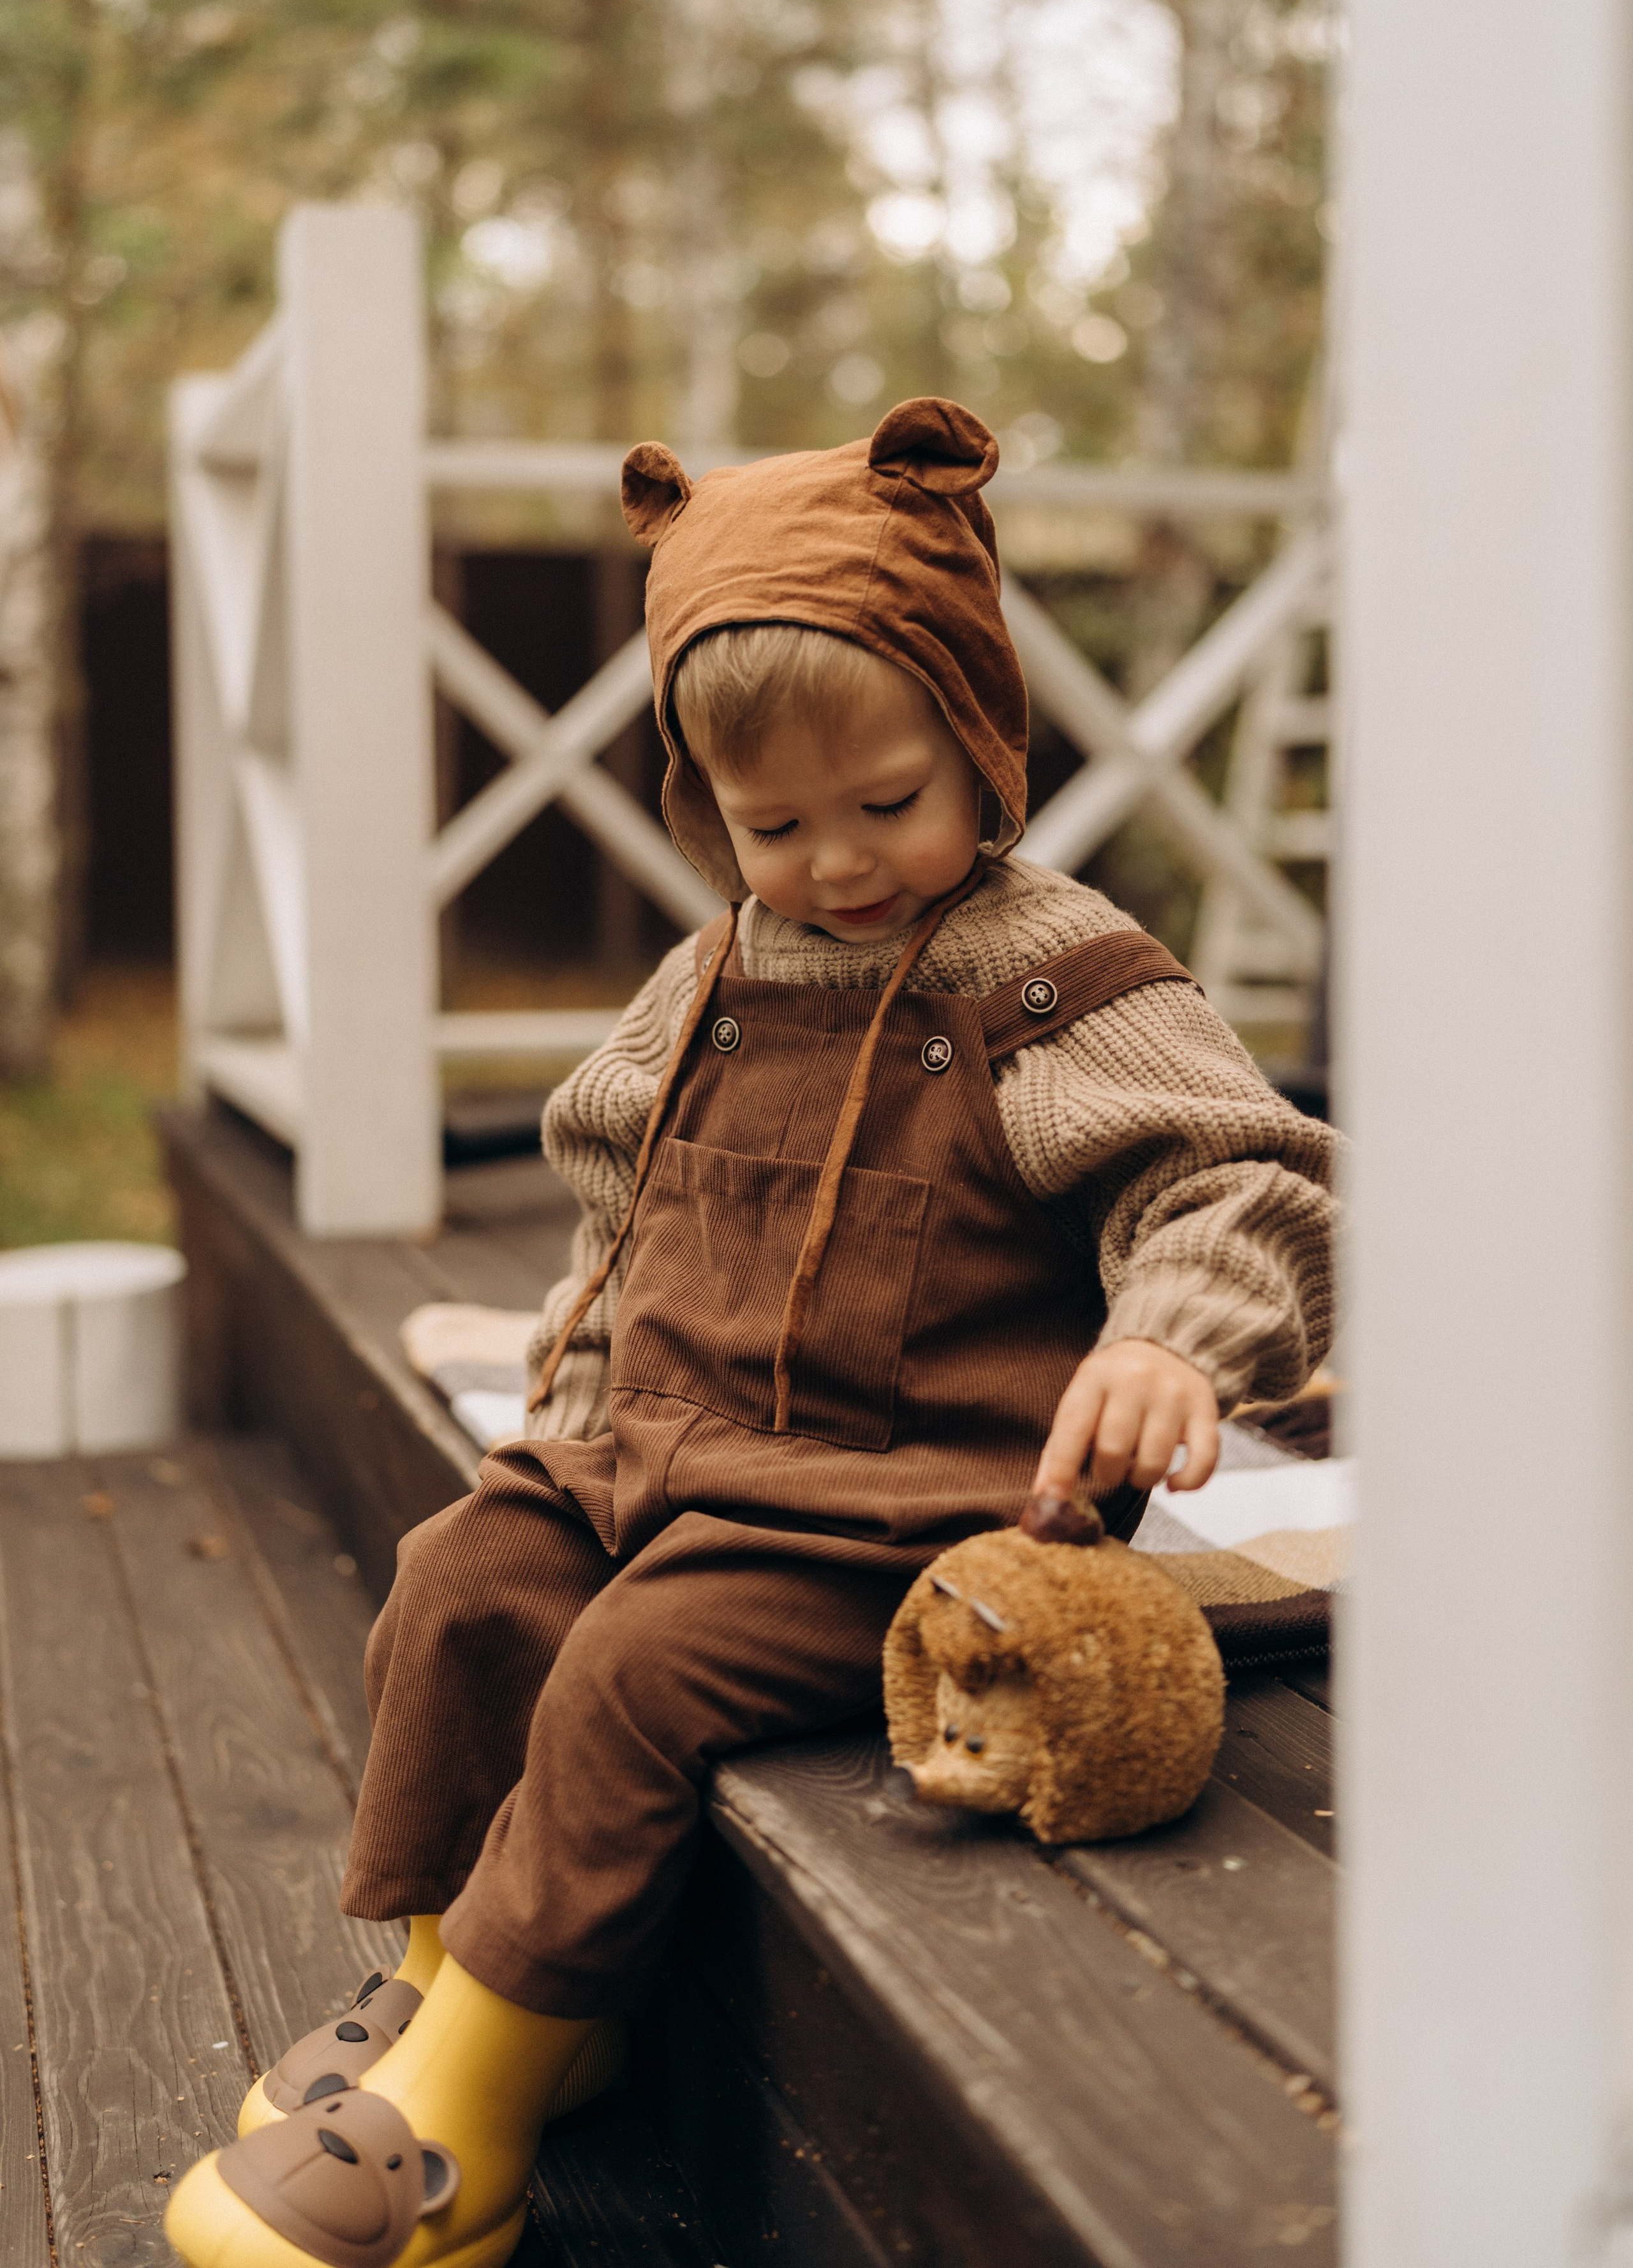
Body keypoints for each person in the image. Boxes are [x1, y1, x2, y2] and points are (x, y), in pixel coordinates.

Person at [166, 398, 1335, 2268]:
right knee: (464, 1577)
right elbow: (619, 1198)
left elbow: (1236, 1175)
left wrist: (1176, 1338)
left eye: (889, 803)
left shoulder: (1046, 979)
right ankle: (463, 1966)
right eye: (769, 824)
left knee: (640, 1667)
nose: (840, 863)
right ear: (702, 810)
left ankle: (472, 2098)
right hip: (676, 1443)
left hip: (915, 1485)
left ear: (980, 741)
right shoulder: (709, 974)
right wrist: (562, 1406)